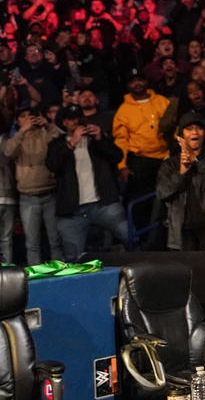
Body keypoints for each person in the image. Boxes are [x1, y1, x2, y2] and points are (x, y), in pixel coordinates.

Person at [44, 105, 128, 261]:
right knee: (73, 257)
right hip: (73, 211)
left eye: (78, 117)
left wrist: (101, 138)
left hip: (103, 204)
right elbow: (52, 165)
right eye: (71, 119)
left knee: (128, 235)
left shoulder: (96, 140)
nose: (75, 122)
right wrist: (71, 144)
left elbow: (117, 156)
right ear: (64, 123)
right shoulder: (57, 145)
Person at [3, 107, 63, 263]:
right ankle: (35, 275)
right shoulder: (17, 138)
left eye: (31, 115)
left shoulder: (46, 134)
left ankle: (61, 272)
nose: (28, 119)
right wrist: (22, 131)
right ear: (18, 121)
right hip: (27, 196)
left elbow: (63, 138)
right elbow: (8, 152)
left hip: (49, 193)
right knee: (31, 243)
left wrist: (48, 124)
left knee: (55, 240)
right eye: (23, 116)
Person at [156, 113, 205, 251]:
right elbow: (162, 192)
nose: (195, 132)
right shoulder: (170, 164)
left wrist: (196, 161)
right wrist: (181, 172)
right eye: (189, 129)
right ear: (180, 135)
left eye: (199, 128)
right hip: (182, 230)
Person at [112, 72, 171, 199]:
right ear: (128, 86)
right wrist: (122, 166)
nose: (137, 83)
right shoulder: (123, 111)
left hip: (166, 156)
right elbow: (121, 140)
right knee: (144, 200)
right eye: (133, 81)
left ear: (146, 82)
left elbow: (174, 127)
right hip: (140, 160)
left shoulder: (162, 101)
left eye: (140, 80)